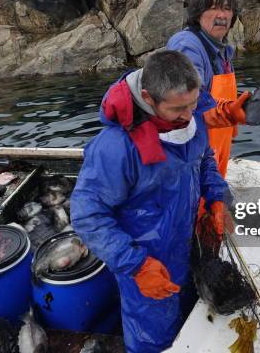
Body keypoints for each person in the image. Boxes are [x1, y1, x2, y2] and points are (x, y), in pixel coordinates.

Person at [70, 50, 229, 353]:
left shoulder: (191, 115)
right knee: (152, 341)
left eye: (193, 104)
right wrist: (137, 265)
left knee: (191, 324)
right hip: (144, 260)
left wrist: (217, 197)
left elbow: (204, 158)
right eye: (177, 109)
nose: (188, 115)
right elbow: (87, 214)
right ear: (148, 98)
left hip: (187, 247)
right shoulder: (115, 148)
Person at [166, 0, 250, 178]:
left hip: (213, 157)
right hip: (188, 163)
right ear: (198, 13)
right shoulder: (187, 46)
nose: (222, 15)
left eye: (227, 8)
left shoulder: (223, 50)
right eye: (213, 8)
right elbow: (188, 104)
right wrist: (230, 113)